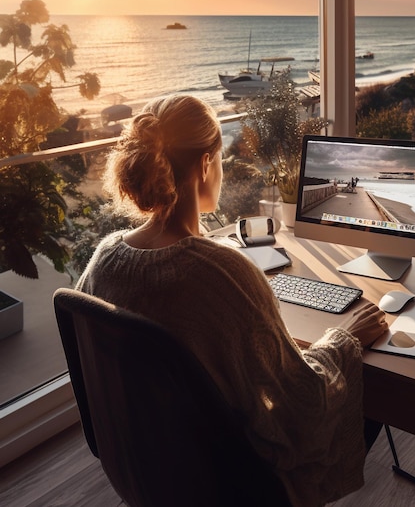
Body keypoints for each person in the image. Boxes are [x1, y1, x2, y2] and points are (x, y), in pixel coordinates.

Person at [76, 94, 389, 507]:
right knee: (375, 382)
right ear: (206, 164)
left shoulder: (103, 259)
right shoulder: (224, 273)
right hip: (237, 484)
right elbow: (303, 405)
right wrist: (345, 337)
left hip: (151, 471)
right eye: (220, 159)